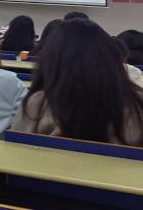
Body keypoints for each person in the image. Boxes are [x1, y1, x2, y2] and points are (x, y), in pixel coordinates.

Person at [12, 19, 143, 145]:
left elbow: (16, 148)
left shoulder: (37, 104)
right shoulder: (136, 104)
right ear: (110, 57)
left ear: (51, 61)